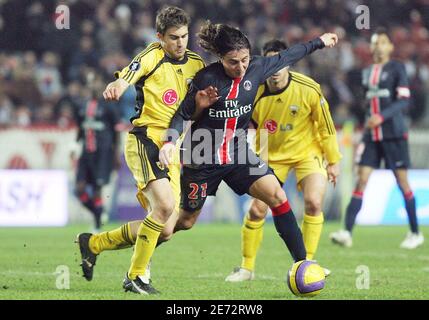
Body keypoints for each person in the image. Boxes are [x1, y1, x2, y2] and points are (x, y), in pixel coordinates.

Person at [159, 22, 338, 275]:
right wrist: (169, 142)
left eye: (244, 60)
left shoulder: (257, 67)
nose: (241, 67)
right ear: (221, 58)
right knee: (184, 222)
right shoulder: (206, 79)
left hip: (238, 153)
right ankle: (143, 252)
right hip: (202, 155)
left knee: (277, 196)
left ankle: (303, 264)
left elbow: (290, 55)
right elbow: (183, 114)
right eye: (233, 62)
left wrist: (319, 41)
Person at [75, 6, 205, 294]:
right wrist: (120, 84)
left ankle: (94, 243)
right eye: (173, 37)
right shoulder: (152, 55)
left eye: (184, 36)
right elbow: (132, 71)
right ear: (160, 37)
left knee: (167, 228)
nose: (180, 42)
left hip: (172, 148)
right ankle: (136, 277)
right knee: (165, 208)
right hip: (145, 140)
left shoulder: (196, 64)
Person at [222, 40, 341, 282]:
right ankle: (246, 268)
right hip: (269, 152)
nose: (276, 70)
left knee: (313, 203)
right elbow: (241, 124)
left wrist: (333, 160)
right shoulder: (252, 90)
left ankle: (307, 264)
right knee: (257, 209)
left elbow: (326, 126)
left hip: (307, 152)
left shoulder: (308, 88)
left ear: (288, 64)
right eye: (271, 65)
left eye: (281, 64)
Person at [329, 28, 424, 249]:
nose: (378, 46)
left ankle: (415, 233)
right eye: (374, 43)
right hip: (372, 135)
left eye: (382, 42)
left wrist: (381, 116)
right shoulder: (366, 72)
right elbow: (365, 103)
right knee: (361, 179)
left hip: (393, 134)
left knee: (402, 182)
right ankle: (346, 232)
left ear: (390, 47)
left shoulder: (397, 68)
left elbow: (404, 101)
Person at [72, 73, 121, 233]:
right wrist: (74, 145)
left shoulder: (109, 106)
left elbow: (117, 132)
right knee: (79, 189)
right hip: (86, 153)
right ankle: (98, 213)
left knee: (98, 190)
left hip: (103, 153)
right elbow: (80, 128)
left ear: (102, 86)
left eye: (97, 83)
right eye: (91, 83)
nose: (93, 86)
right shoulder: (82, 106)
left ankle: (97, 225)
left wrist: (116, 154)